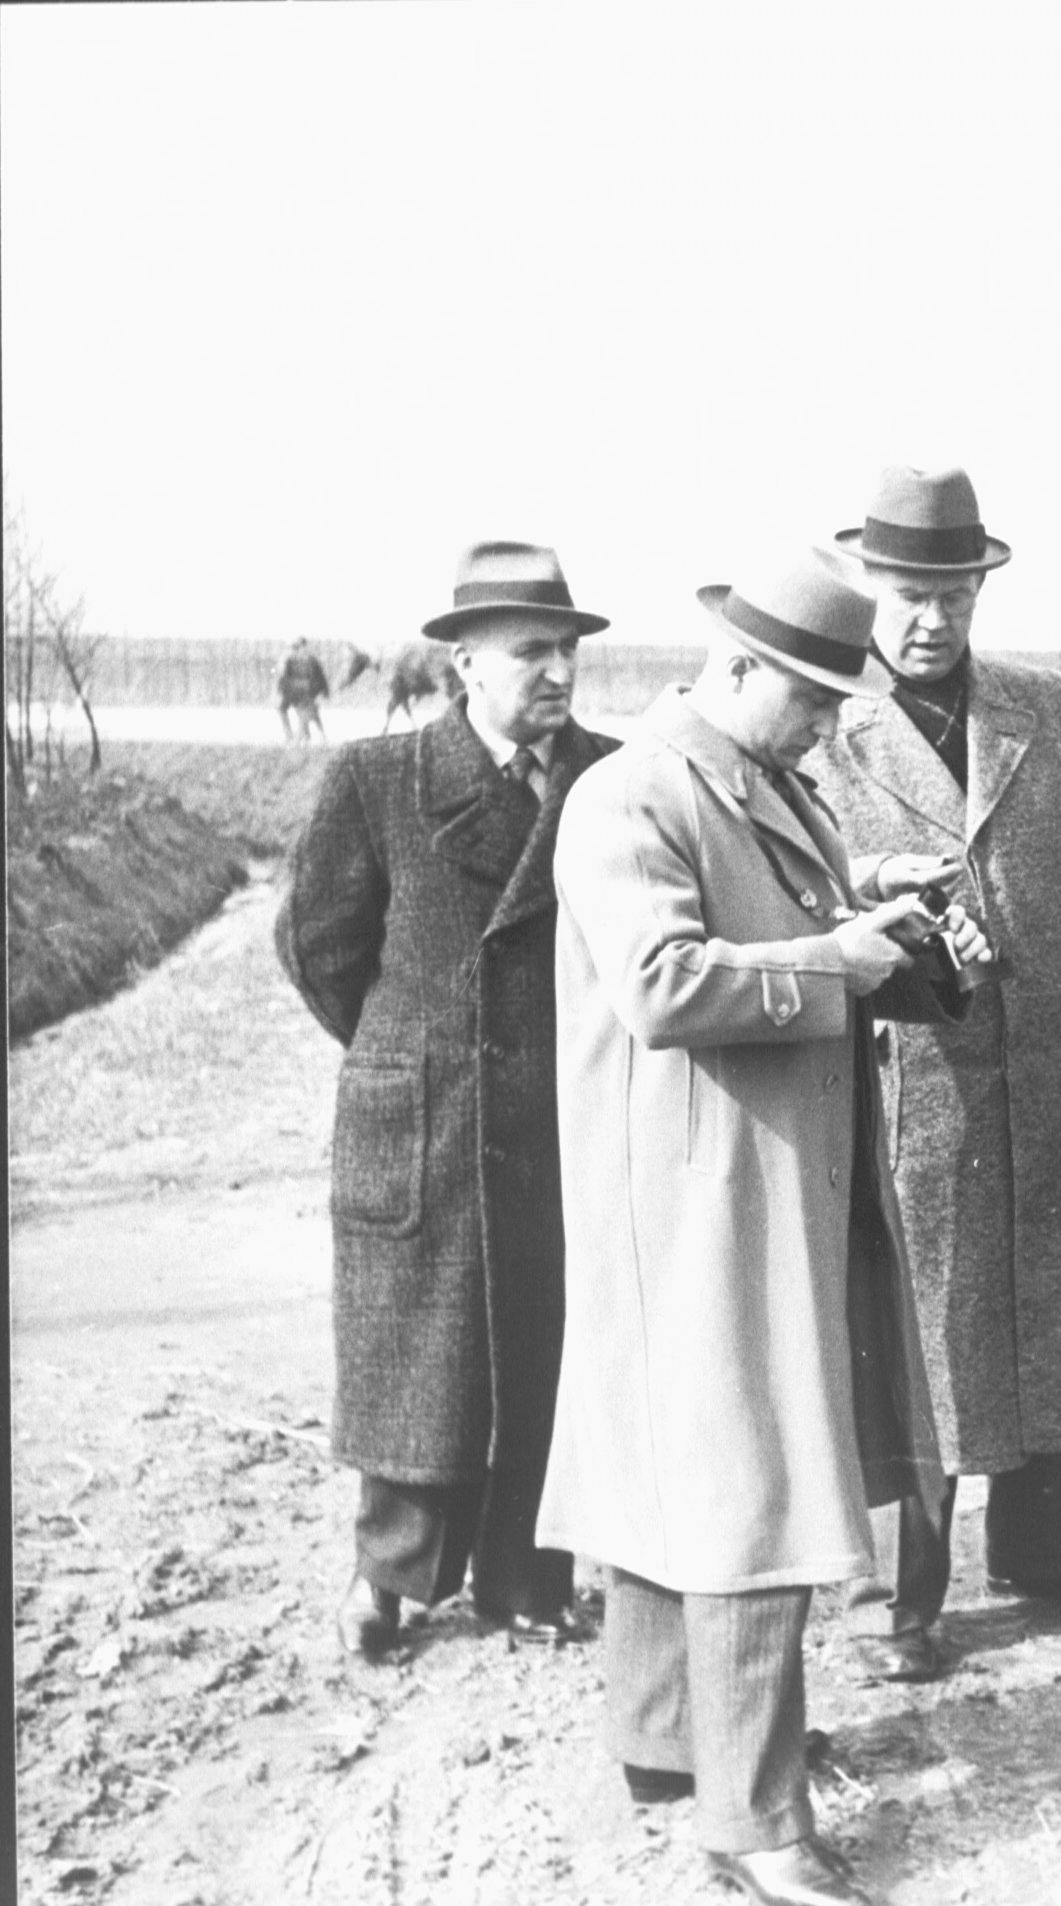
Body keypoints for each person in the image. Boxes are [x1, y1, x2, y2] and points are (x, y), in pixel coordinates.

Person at [542, 557, 983, 1906]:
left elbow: (766, 931)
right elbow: (666, 984)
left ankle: (672, 1744)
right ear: (733, 670)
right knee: (743, 1482)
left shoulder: (756, 779)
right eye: (809, 700)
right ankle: (754, 1820)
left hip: (752, 1176)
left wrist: (868, 920)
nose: (827, 729)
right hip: (698, 1198)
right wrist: (837, 960)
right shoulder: (631, 792)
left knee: (683, 1462)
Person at [811, 465, 1061, 1685]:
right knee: (927, 1334)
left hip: (1053, 1069)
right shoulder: (825, 723)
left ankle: (1044, 1550)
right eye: (909, 593)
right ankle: (895, 1601)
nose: (929, 620)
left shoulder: (1040, 707)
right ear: (869, 587)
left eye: (951, 593)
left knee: (1042, 1311)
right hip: (915, 1084)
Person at [277, 539, 613, 1660]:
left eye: (567, 651)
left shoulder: (609, 783)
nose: (556, 673)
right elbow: (320, 949)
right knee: (419, 1351)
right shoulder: (378, 783)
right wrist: (406, 1053)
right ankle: (392, 1574)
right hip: (429, 1115)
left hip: (559, 1118)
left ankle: (529, 1579)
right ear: (463, 662)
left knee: (544, 1344)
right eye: (530, 652)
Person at [277, 636, 331, 741]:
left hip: (304, 693)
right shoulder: (291, 659)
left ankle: (302, 736)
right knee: (286, 709)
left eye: (301, 647)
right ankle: (295, 736)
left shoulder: (310, 660)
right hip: (296, 693)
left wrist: (324, 692)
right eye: (297, 647)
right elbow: (283, 677)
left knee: (306, 714)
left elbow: (320, 677)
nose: (300, 650)